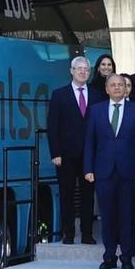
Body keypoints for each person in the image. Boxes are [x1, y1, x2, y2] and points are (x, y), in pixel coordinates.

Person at [84, 74, 135, 269]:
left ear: (126, 88)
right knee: (107, 216)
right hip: (103, 170)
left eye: (121, 85)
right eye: (113, 85)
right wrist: (88, 168)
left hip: (129, 171)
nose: (118, 88)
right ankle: (109, 255)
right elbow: (90, 141)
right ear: (106, 88)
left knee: (127, 215)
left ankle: (127, 256)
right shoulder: (96, 110)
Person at [48, 56, 96, 246]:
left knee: (87, 195)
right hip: (66, 155)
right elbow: (53, 126)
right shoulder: (59, 94)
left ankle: (87, 233)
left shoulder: (97, 94)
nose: (83, 71)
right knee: (66, 194)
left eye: (86, 69)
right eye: (79, 68)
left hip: (89, 154)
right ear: (71, 71)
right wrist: (55, 153)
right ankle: (68, 233)